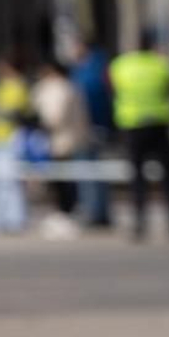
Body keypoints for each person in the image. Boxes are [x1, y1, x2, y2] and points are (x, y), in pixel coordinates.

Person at [110, 31, 169, 242]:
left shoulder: (120, 66)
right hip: (159, 123)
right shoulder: (162, 64)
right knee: (168, 176)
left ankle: (140, 222)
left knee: (137, 177)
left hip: (132, 125)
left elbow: (114, 91)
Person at [31, 54, 89, 239]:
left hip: (59, 142)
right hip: (71, 140)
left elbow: (53, 118)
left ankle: (64, 217)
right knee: (65, 182)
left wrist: (37, 122)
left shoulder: (57, 88)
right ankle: (66, 215)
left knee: (61, 183)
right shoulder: (71, 86)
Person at [0, 53, 31, 235]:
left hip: (10, 139)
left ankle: (13, 219)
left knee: (9, 181)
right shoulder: (2, 85)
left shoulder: (17, 85)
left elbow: (16, 114)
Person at [69, 37, 114, 227]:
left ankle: (95, 212)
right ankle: (97, 210)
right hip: (91, 126)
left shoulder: (89, 71)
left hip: (91, 126)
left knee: (90, 171)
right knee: (93, 171)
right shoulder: (91, 68)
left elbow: (92, 98)